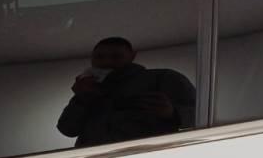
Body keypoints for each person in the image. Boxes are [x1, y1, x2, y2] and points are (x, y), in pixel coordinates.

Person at [57, 37, 196, 147]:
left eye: (116, 56)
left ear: (132, 56)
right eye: (99, 57)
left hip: (148, 157)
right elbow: (67, 130)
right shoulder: (90, 88)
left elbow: (200, 115)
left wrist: (173, 113)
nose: (106, 62)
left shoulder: (163, 78)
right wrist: (80, 98)